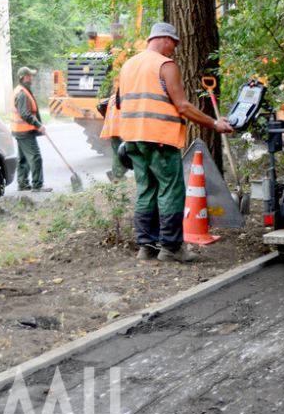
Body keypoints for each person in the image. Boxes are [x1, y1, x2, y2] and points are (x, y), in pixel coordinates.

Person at [117, 22, 234, 263]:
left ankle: (146, 247)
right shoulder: (165, 65)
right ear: (166, 39)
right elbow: (182, 106)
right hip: (159, 138)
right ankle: (171, 248)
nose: (175, 49)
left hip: (132, 138)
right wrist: (214, 124)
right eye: (175, 44)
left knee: (146, 189)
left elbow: (120, 102)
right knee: (171, 189)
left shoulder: (128, 65)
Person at [10, 66, 50, 192]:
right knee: (35, 157)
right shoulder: (22, 93)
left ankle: (22, 184)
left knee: (23, 158)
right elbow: (25, 113)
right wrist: (38, 125)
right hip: (25, 131)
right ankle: (38, 185)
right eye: (30, 75)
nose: (31, 77)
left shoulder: (20, 90)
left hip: (19, 130)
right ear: (24, 77)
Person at [99, 93, 129, 182]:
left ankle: (115, 173)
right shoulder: (128, 95)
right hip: (122, 129)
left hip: (112, 129)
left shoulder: (113, 96)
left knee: (117, 153)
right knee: (127, 153)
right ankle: (118, 176)